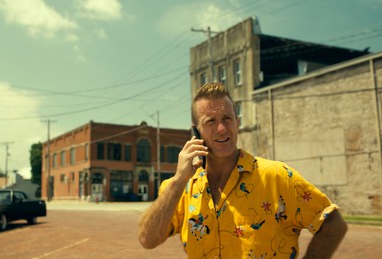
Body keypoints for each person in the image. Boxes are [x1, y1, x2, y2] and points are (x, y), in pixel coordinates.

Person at [138, 82, 347, 258]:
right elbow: (147, 239)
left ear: (237, 123)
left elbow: (333, 224)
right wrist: (178, 180)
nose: (222, 128)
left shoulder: (277, 177)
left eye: (227, 119)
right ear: (195, 131)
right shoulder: (181, 187)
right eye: (210, 121)